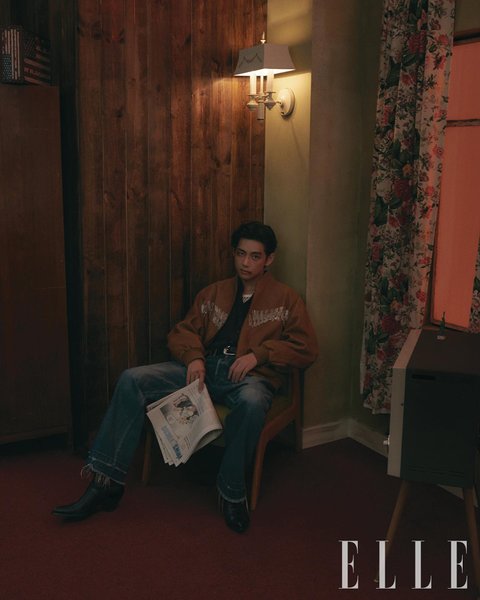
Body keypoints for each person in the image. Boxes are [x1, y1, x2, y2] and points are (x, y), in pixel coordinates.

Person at [53, 221, 318, 533]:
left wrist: (258, 355)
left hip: (249, 377)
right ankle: (105, 482)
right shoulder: (214, 293)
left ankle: (231, 492)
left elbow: (305, 348)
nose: (246, 263)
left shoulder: (287, 299)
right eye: (240, 254)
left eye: (255, 256)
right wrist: (194, 357)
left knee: (252, 402)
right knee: (132, 379)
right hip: (203, 368)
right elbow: (183, 331)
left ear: (269, 259)